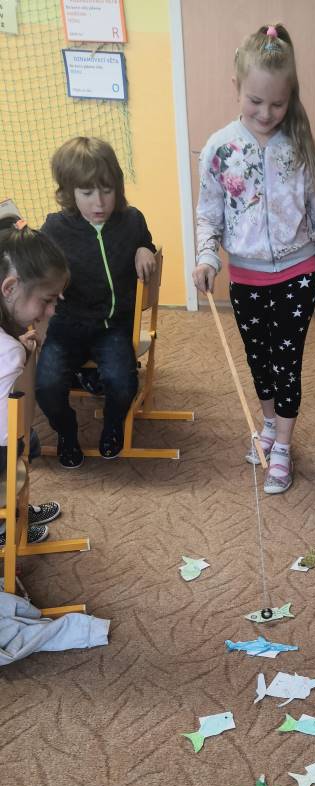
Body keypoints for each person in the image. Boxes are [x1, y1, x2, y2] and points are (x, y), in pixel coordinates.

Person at [193, 24, 315, 494]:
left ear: (290, 96)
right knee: (259, 361)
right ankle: (270, 424)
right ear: (236, 87)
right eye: (255, 101)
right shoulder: (219, 149)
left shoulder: (298, 145)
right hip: (246, 278)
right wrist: (206, 258)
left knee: (287, 362)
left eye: (278, 104)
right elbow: (208, 215)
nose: (266, 113)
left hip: (298, 275)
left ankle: (283, 446)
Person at [36, 137, 156, 467]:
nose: (99, 202)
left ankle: (113, 426)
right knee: (46, 387)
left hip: (112, 326)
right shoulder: (54, 228)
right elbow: (37, 268)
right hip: (67, 325)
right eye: (87, 192)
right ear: (69, 192)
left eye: (106, 190)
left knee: (123, 384)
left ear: (117, 187)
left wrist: (144, 248)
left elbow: (146, 241)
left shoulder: (132, 220)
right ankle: (67, 432)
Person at [0, 212, 67, 544]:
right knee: (28, 442)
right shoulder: (9, 352)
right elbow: (10, 433)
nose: (52, 310)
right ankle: (6, 522)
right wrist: (26, 359)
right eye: (47, 300)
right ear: (10, 288)